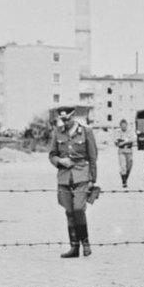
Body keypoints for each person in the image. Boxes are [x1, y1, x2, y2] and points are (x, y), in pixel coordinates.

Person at [48, 106, 97, 258]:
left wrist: (92, 180)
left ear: (73, 116)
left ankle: (86, 243)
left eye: (67, 119)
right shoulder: (57, 132)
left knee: (78, 210)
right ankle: (74, 248)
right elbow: (52, 155)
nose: (65, 122)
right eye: (62, 119)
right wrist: (60, 161)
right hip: (64, 178)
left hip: (81, 175)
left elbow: (93, 157)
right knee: (69, 213)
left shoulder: (86, 131)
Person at [114, 119, 135, 188]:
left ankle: (125, 177)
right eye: (122, 125)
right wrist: (125, 141)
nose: (123, 126)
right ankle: (124, 182)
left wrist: (124, 142)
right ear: (120, 126)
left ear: (126, 125)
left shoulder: (130, 131)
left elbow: (133, 139)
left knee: (129, 166)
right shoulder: (118, 132)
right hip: (121, 151)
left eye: (125, 125)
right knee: (123, 166)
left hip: (129, 151)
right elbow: (117, 142)